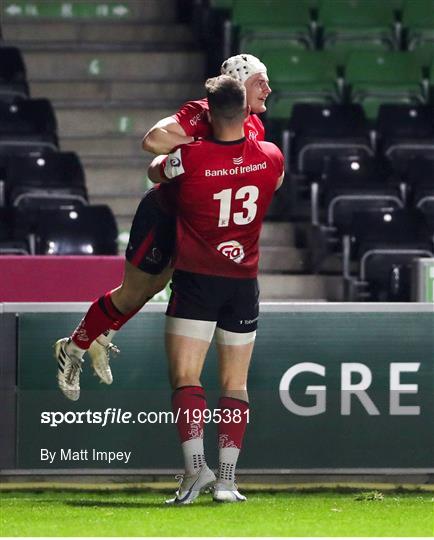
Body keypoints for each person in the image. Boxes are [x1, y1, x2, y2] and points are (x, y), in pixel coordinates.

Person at [53, 55, 272, 401]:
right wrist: (200, 153)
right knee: (135, 292)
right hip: (166, 216)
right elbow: (153, 141)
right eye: (261, 82)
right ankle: (74, 346)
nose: (268, 89)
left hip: (203, 225)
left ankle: (101, 337)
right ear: (239, 84)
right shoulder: (202, 112)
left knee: (157, 285)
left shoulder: (256, 127)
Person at [146, 75, 284, 504]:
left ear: (207, 111)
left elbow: (154, 169)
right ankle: (226, 480)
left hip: (196, 280)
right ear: (245, 111)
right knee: (235, 384)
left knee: (186, 377)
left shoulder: (189, 158)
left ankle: (194, 473)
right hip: (243, 283)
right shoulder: (271, 156)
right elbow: (273, 185)